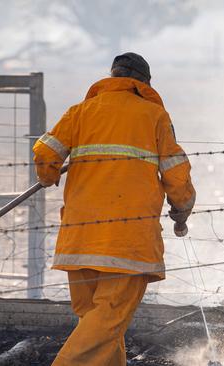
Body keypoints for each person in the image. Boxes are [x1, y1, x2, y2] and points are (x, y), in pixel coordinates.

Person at [32, 52, 196, 366]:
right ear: (144, 84)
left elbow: (46, 150)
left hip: (78, 241)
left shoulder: (80, 111)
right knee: (106, 322)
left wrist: (48, 173)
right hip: (127, 243)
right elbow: (176, 173)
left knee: (99, 326)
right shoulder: (154, 116)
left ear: (112, 78)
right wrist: (183, 208)